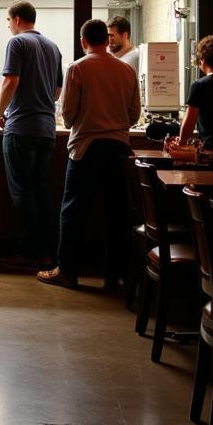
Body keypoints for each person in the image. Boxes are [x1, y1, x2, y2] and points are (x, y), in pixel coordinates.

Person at [39, 19, 140, 289]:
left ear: (84, 42)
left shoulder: (78, 68)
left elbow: (68, 115)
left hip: (86, 148)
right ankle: (115, 275)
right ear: (107, 40)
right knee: (117, 214)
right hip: (119, 148)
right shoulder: (126, 70)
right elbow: (134, 115)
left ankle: (68, 271)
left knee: (73, 212)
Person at [0, 0, 63, 270]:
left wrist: (1, 111)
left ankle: (28, 253)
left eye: (9, 21)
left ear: (18, 19)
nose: (9, 27)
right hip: (47, 129)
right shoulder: (53, 47)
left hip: (21, 127)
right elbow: (57, 91)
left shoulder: (18, 43)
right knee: (42, 190)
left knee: (22, 191)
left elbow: (11, 80)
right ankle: (47, 253)